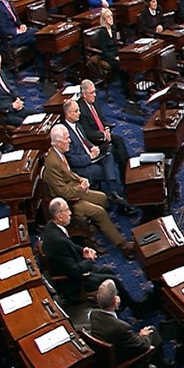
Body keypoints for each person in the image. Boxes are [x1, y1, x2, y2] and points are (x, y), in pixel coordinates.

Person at [42, 125, 136, 259]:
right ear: (58, 142)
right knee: (99, 212)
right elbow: (62, 192)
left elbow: (69, 173)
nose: (69, 141)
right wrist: (80, 189)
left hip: (75, 190)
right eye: (67, 138)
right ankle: (123, 245)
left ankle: (93, 229)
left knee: (103, 198)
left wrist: (80, 179)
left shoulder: (59, 154)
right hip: (69, 202)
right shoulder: (52, 163)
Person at [89, 280, 179, 368]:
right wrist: (142, 336)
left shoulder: (94, 315)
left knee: (149, 336)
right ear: (116, 301)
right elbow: (143, 347)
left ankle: (162, 365)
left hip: (108, 363)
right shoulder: (121, 327)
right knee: (152, 333)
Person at [62, 100, 135, 215]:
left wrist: (93, 147)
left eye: (79, 110)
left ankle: (114, 194)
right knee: (106, 170)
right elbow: (72, 160)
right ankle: (116, 196)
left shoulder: (77, 124)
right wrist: (89, 157)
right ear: (68, 114)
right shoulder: (65, 132)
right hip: (82, 167)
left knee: (108, 155)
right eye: (76, 111)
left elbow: (85, 141)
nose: (79, 113)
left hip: (91, 157)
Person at [77, 80, 132, 184]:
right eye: (92, 93)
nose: (95, 95)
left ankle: (127, 175)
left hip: (103, 133)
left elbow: (101, 118)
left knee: (120, 141)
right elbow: (86, 133)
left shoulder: (94, 101)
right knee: (114, 151)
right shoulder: (81, 110)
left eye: (94, 91)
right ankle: (120, 182)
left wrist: (106, 128)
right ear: (84, 95)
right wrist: (103, 135)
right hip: (95, 140)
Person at [0, 51, 35, 126]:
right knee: (26, 124)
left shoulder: (0, 72)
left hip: (14, 107)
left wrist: (18, 98)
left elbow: (10, 88)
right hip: (4, 114)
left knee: (36, 113)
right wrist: (12, 106)